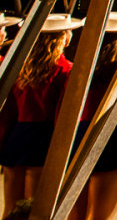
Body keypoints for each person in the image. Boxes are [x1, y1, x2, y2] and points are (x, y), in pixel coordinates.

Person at [0, 13, 83, 219]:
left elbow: (9, 109)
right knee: (36, 210)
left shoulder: (20, 66)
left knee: (10, 209)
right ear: (62, 37)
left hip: (17, 137)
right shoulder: (65, 69)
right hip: (44, 139)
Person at [70, 12, 117, 220]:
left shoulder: (82, 66)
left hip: (80, 135)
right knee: (100, 215)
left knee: (73, 213)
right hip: (113, 137)